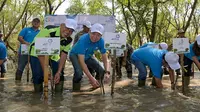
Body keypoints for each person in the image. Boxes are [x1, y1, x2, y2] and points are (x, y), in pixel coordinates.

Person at [29, 19, 77, 93]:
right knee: (39, 76)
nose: (68, 32)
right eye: (67, 28)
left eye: (71, 31)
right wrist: (46, 71)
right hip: (36, 52)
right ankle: (37, 98)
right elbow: (40, 53)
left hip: (53, 54)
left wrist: (59, 72)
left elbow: (63, 55)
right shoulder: (48, 31)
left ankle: (58, 97)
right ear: (61, 26)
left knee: (60, 75)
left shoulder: (69, 40)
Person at [69, 23, 110, 91]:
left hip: (87, 55)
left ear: (101, 36)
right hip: (75, 55)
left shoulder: (101, 41)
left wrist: (107, 72)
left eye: (98, 35)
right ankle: (75, 91)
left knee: (101, 71)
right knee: (79, 73)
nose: (95, 37)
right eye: (93, 33)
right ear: (89, 32)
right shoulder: (83, 39)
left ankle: (96, 86)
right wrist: (91, 78)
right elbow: (82, 62)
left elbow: (105, 59)